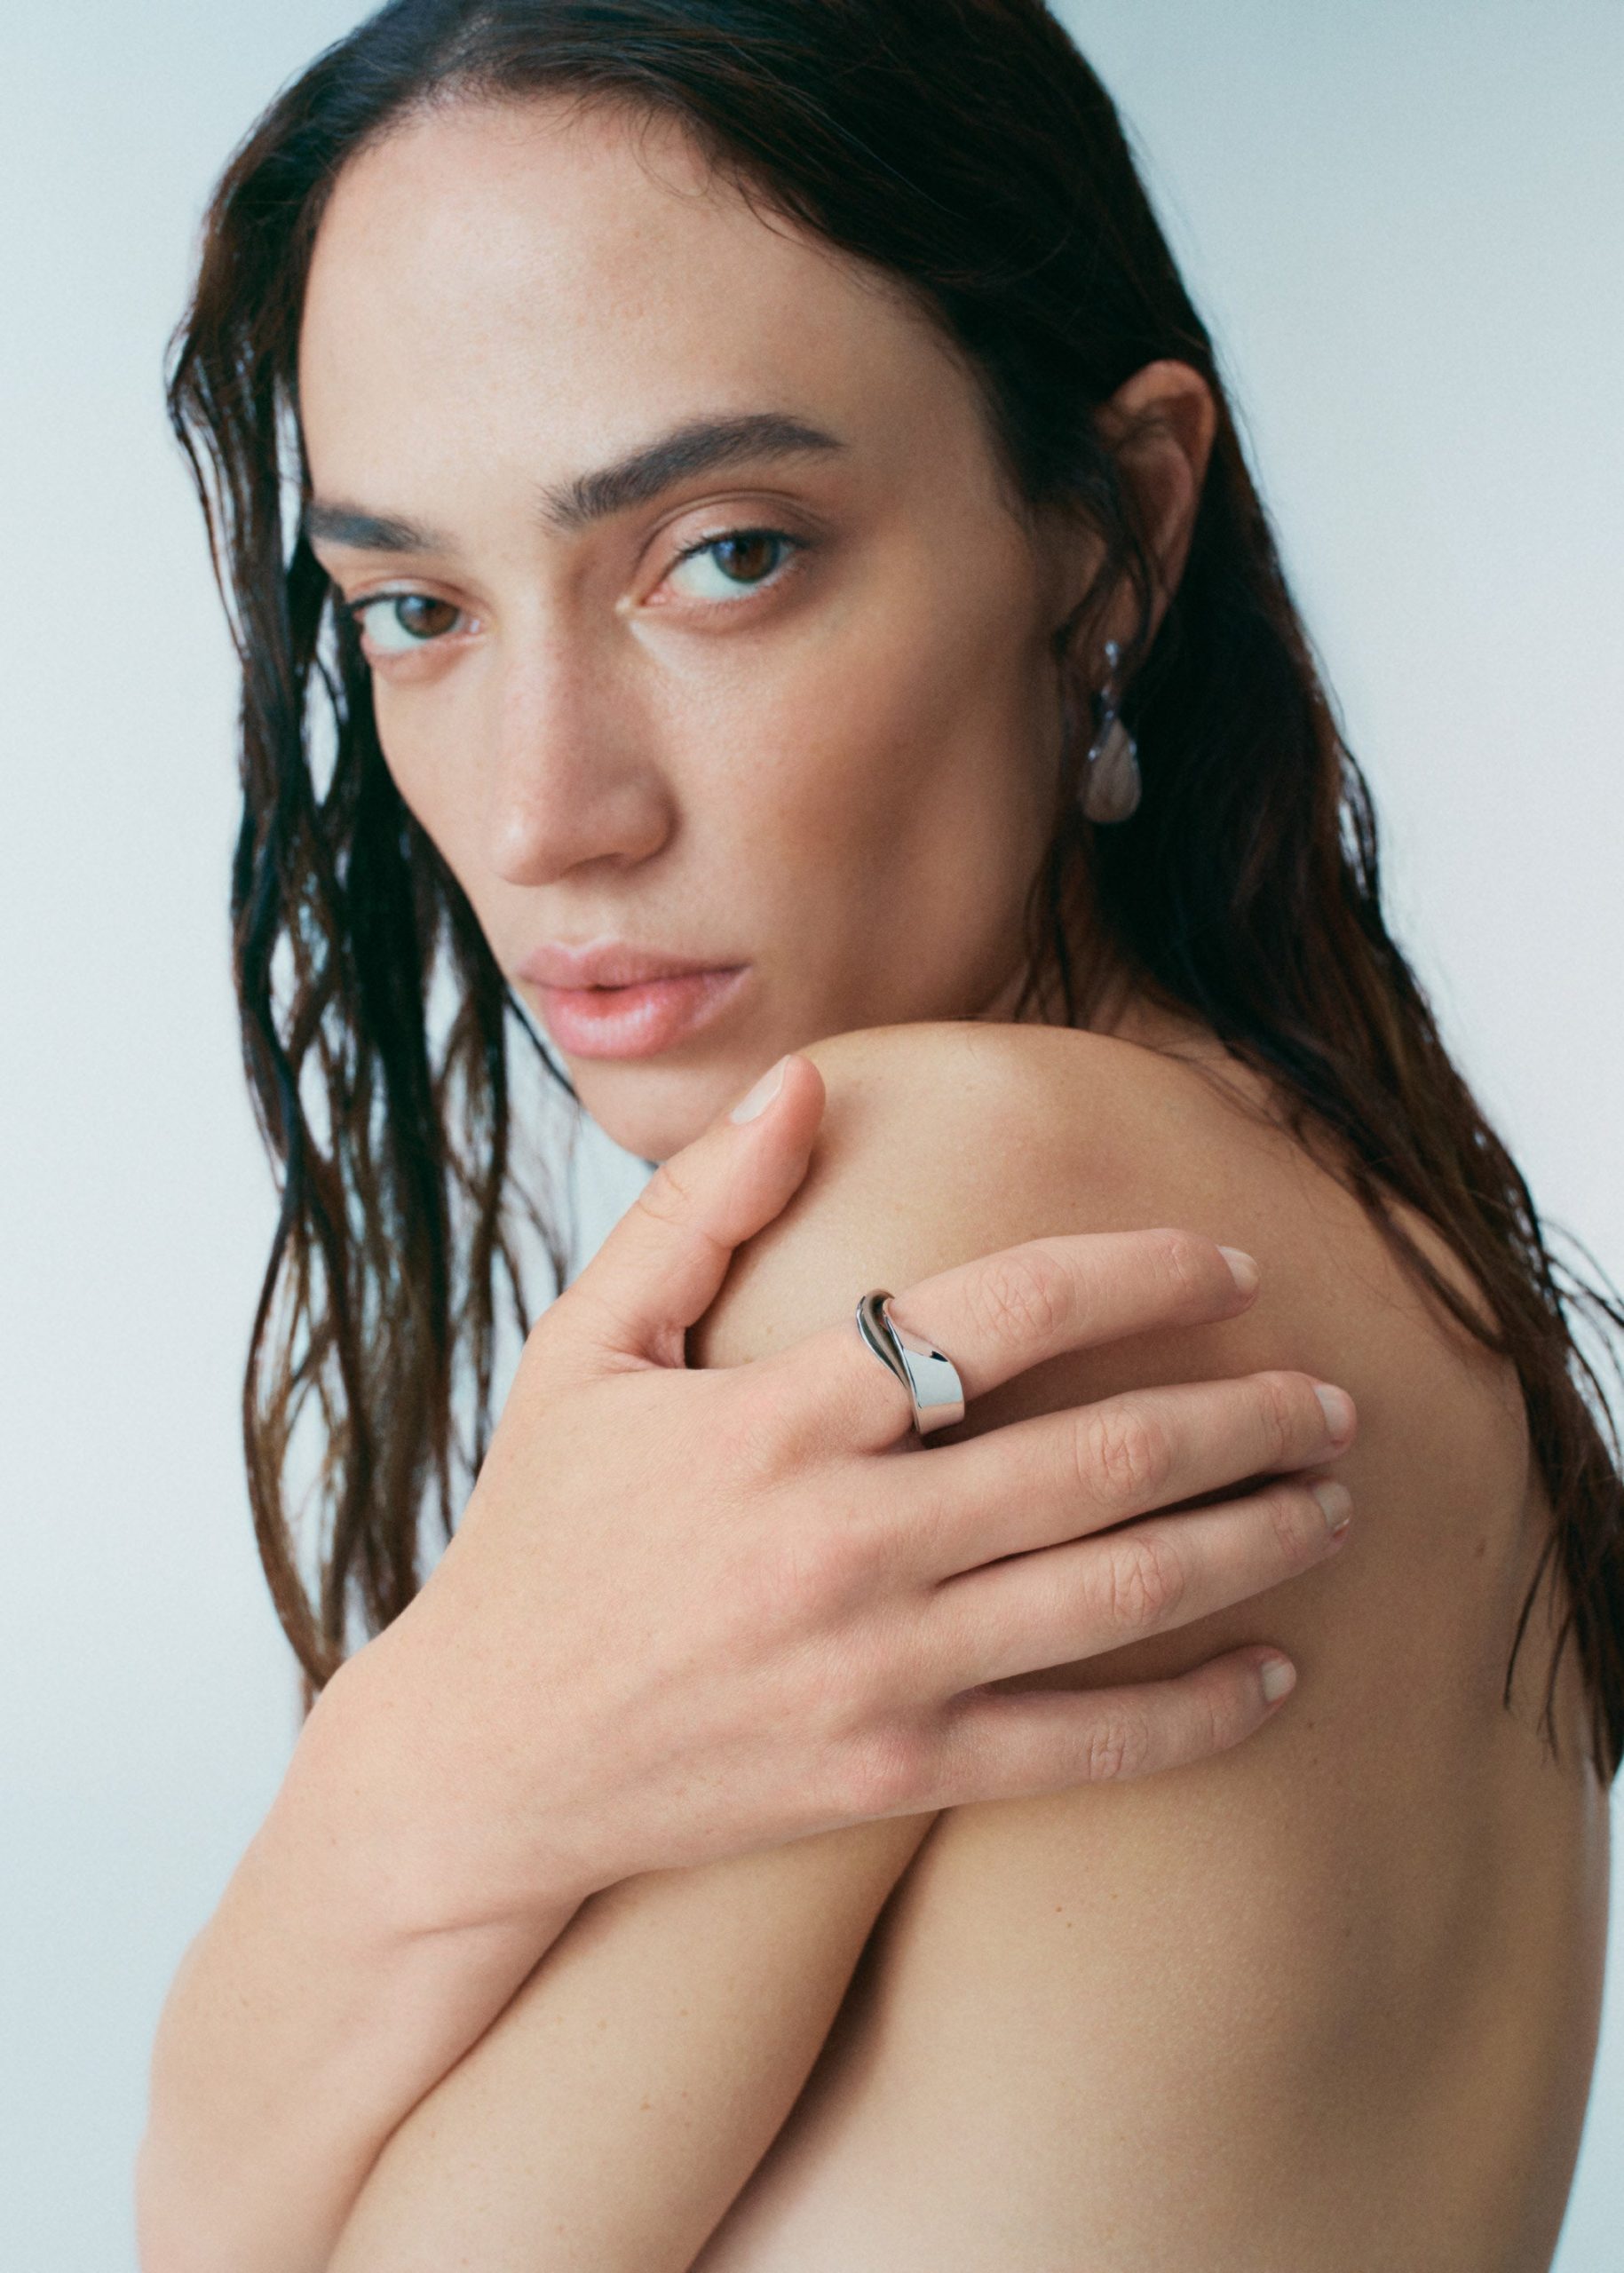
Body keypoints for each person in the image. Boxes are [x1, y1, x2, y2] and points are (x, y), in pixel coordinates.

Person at [138, 3, 1623, 2267]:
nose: (544, 812)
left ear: (1112, 530)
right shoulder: (1351, 1216)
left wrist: (412, 1761)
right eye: (417, 609)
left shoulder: (967, 1204)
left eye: (725, 554)